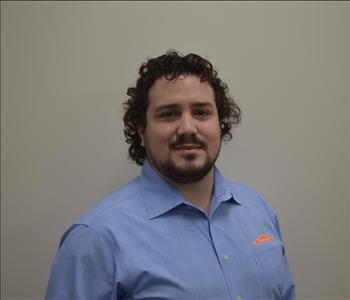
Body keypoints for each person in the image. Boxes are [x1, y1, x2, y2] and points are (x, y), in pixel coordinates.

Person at [45, 50, 295, 300]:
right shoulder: (96, 239)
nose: (187, 128)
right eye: (169, 114)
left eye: (201, 112)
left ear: (220, 123)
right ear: (141, 130)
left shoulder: (258, 210)